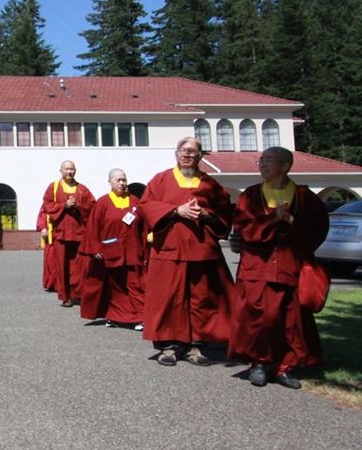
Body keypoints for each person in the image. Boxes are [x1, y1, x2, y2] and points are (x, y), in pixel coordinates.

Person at [229, 147, 329, 389]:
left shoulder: (304, 197)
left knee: (290, 319)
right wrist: (273, 218)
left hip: (289, 265)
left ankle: (284, 366)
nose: (262, 164)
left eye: (268, 160)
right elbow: (243, 227)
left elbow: (318, 230)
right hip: (257, 265)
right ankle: (260, 362)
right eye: (261, 160)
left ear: (285, 166)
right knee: (258, 316)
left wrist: (291, 221)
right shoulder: (251, 195)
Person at [139, 137, 235, 367]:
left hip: (201, 252)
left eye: (193, 151)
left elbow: (224, 213)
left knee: (200, 299)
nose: (187, 154)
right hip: (169, 251)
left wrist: (207, 215)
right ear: (176, 154)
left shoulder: (211, 184)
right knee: (168, 299)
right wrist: (176, 211)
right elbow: (146, 206)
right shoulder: (161, 180)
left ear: (200, 156)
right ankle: (170, 346)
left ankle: (195, 345)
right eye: (183, 150)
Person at [79, 169, 145, 329]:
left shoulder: (135, 201)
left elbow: (144, 227)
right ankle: (113, 316)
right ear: (110, 182)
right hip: (110, 251)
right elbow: (93, 227)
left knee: (134, 284)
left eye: (124, 180)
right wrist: (95, 249)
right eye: (118, 180)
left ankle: (139, 317)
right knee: (113, 286)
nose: (121, 183)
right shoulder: (103, 202)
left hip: (132, 250)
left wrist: (145, 248)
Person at [41, 161, 95, 306]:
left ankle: (78, 294)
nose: (69, 172)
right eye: (66, 169)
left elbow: (92, 206)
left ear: (75, 171)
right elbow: (47, 205)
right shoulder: (53, 187)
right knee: (61, 266)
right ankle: (66, 297)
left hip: (79, 233)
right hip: (61, 233)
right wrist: (64, 206)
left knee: (79, 266)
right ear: (61, 170)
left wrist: (78, 206)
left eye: (71, 169)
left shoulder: (82, 189)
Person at [35, 209, 58, 292]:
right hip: (51, 236)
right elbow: (42, 213)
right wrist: (43, 227)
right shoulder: (48, 203)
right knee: (51, 260)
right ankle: (52, 283)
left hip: (61, 232)